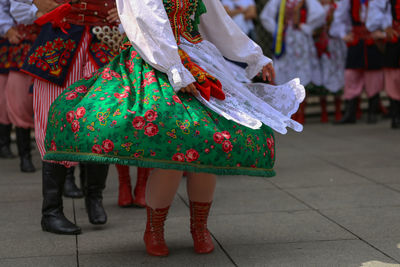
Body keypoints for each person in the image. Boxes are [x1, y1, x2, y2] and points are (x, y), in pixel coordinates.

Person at [43, 0, 305, 256]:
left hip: (196, 59)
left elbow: (216, 20)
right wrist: (173, 67)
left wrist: (253, 56)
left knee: (208, 144)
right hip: (153, 61)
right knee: (171, 154)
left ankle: (199, 227)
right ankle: (154, 229)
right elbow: (148, 19)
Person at [19, 0, 121, 235]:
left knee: (101, 123)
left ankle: (94, 196)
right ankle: (51, 212)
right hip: (61, 38)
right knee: (53, 120)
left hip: (104, 40)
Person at [260, 0, 325, 124]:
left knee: (302, 75)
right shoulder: (279, 1)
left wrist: (306, 27)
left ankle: (301, 113)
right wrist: (277, 30)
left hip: (301, 41)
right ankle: (289, 112)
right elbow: (265, 17)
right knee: (286, 75)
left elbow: (320, 14)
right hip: (284, 40)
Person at [330, 0, 384, 124]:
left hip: (373, 42)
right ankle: (350, 113)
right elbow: (339, 17)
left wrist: (382, 31)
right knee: (351, 76)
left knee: (373, 78)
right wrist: (343, 34)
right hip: (357, 42)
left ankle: (372, 112)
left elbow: (385, 14)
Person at [0, 0, 38, 172]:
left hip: (53, 36)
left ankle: (65, 171)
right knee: (18, 101)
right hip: (22, 40)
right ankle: (25, 156)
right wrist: (6, 27)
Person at [366, 0, 400, 129]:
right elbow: (375, 19)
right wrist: (384, 29)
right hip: (394, 42)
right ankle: (396, 115)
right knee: (393, 79)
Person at [312, 0, 347, 123]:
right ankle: (324, 111)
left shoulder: (338, 7)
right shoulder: (314, 7)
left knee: (336, 74)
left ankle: (338, 109)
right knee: (323, 75)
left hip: (335, 46)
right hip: (321, 46)